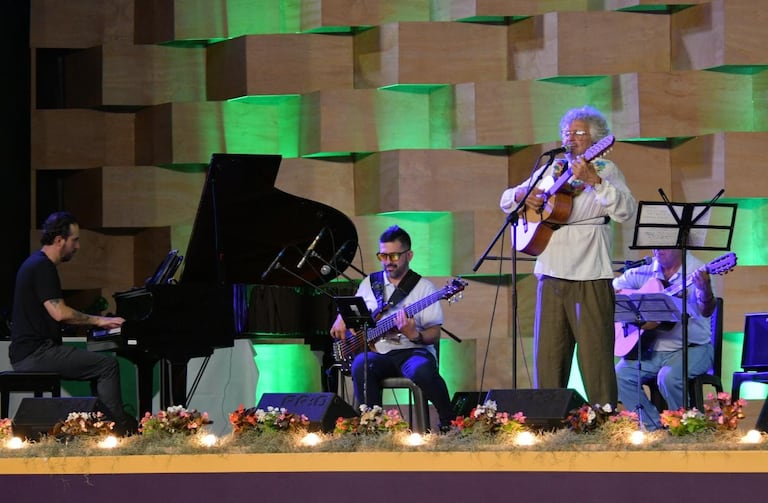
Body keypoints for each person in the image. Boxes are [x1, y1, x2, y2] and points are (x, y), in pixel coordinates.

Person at [499, 105, 637, 407]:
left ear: (596, 140)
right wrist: (524, 196)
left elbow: (627, 210)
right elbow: (507, 199)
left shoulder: (605, 170)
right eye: (567, 132)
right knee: (549, 358)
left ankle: (604, 423)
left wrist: (594, 181)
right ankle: (550, 425)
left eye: (579, 133)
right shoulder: (551, 169)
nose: (570, 138)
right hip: (550, 274)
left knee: (596, 359)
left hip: (590, 275)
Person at [9, 211, 138, 435]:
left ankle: (100, 424)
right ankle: (117, 428)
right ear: (60, 240)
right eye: (74, 240)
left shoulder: (36, 264)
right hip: (35, 354)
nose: (77, 246)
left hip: (30, 352)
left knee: (97, 365)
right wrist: (101, 321)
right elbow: (59, 313)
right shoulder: (42, 267)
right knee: (107, 366)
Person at [329, 225, 455, 431]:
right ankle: (373, 427)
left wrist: (414, 334)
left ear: (409, 255)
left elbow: (434, 333)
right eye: (383, 256)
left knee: (422, 370)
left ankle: (450, 424)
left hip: (413, 352)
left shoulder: (425, 288)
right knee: (361, 364)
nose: (388, 262)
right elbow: (355, 310)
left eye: (394, 256)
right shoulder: (370, 283)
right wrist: (341, 316)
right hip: (378, 353)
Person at [614, 248, 716, 430]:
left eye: (665, 243)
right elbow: (613, 289)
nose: (658, 249)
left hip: (693, 348)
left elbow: (706, 310)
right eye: (655, 244)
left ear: (680, 244)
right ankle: (653, 429)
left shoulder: (696, 269)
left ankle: (684, 429)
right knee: (619, 374)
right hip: (652, 351)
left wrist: (705, 290)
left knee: (668, 377)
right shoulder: (644, 270)